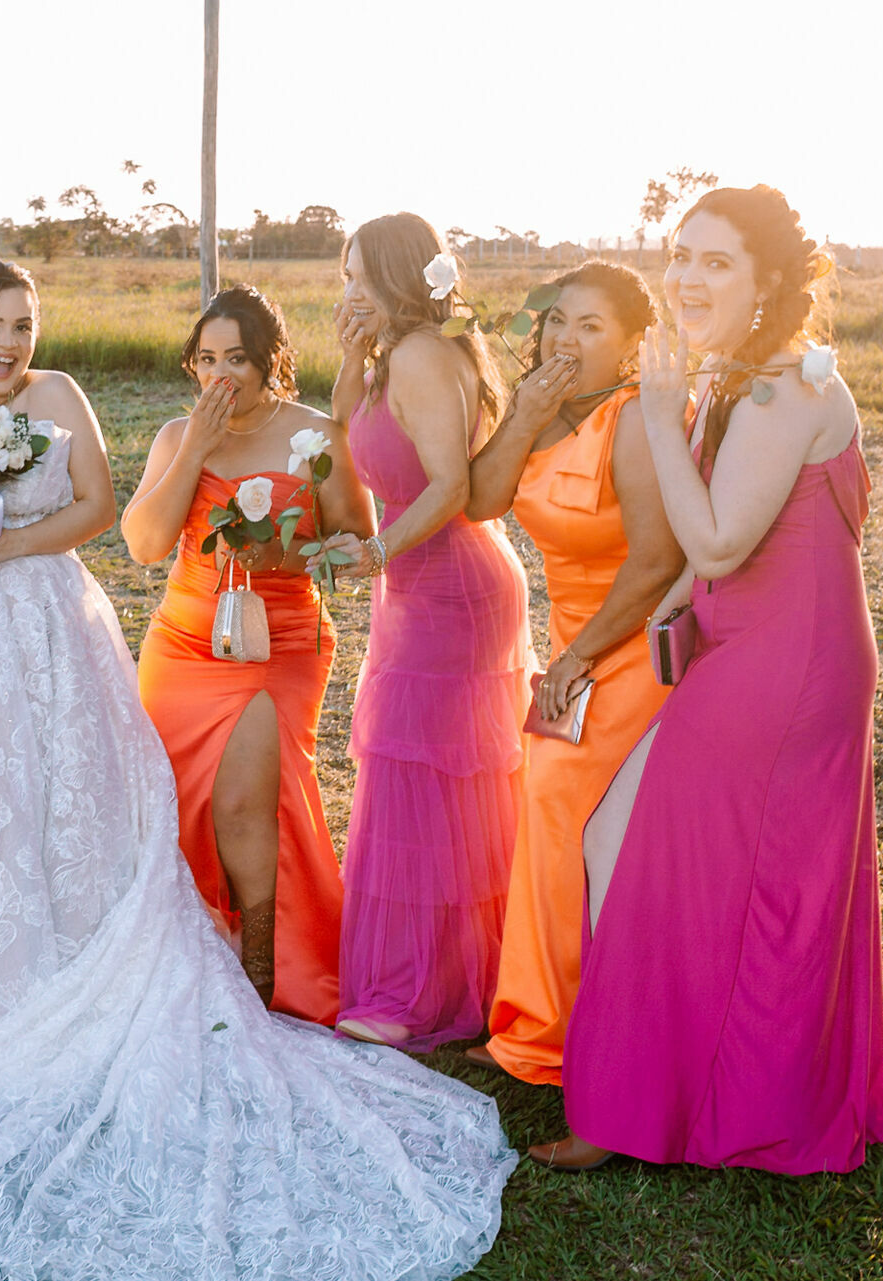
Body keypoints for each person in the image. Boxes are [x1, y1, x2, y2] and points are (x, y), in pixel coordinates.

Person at [0, 260, 516, 1281]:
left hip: (176, 632)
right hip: (35, 638)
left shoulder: (78, 398)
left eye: (25, 323)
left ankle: (251, 967)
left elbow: (109, 513)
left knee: (156, 803)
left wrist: (11, 541)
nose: (11, 341)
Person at [534, 186, 883, 1173]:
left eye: (715, 262)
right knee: (624, 841)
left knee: (706, 862)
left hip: (791, 664)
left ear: (768, 280)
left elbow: (719, 540)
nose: (687, 279)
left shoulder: (788, 389)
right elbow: (711, 556)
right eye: (680, 256)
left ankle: (651, 1106)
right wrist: (666, 615)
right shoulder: (739, 372)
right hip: (741, 644)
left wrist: (662, 419)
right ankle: (641, 1089)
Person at [122, 283, 373, 1022]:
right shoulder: (179, 435)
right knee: (177, 806)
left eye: (236, 358)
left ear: (270, 361)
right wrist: (195, 450)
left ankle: (263, 966)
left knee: (241, 801)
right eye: (206, 359)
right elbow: (144, 544)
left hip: (281, 641)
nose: (220, 375)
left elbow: (360, 544)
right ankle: (196, 949)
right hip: (184, 643)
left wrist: (286, 556)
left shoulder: (317, 436)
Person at [461, 262, 684, 1084]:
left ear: (629, 346)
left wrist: (579, 655)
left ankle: (565, 1030)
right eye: (558, 320)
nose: (566, 338)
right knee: (546, 799)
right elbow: (482, 501)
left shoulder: (635, 419)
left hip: (634, 641)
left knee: (559, 798)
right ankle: (539, 1019)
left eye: (591, 326)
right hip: (572, 642)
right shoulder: (541, 410)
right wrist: (523, 415)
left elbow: (657, 562)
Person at [328, 213, 535, 1052]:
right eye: (342, 278)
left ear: (395, 275)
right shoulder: (393, 353)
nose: (347, 292)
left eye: (357, 278)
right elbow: (345, 426)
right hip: (415, 587)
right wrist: (351, 355)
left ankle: (425, 988)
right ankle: (439, 971)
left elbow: (450, 486)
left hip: (452, 587)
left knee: (429, 779)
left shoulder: (421, 353)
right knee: (421, 778)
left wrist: (377, 552)